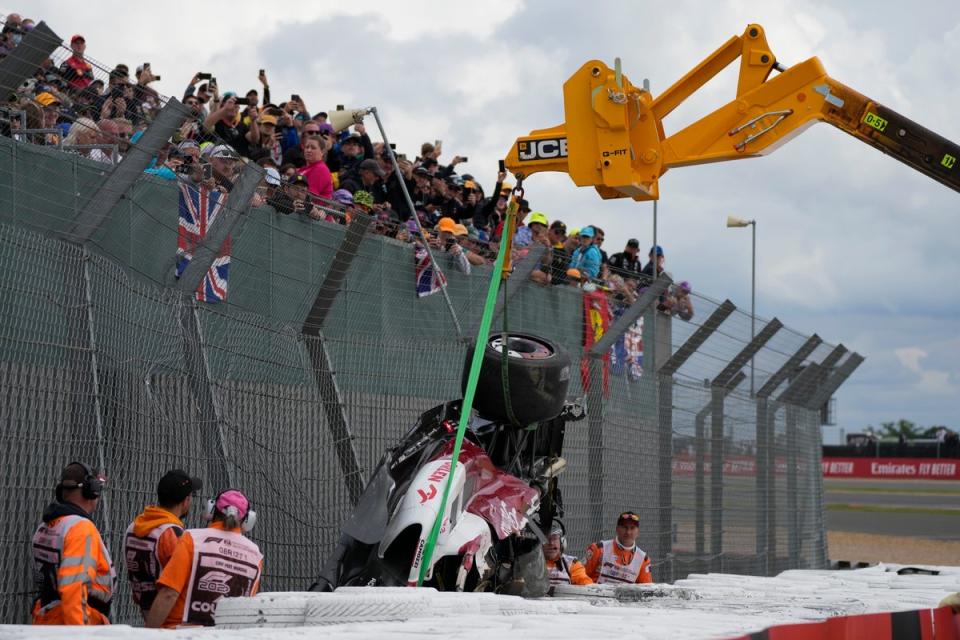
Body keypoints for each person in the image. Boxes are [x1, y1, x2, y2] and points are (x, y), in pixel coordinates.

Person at [146, 489, 263, 628]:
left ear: (211, 510)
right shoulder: (255, 555)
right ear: (247, 521)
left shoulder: (192, 539)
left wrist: (148, 632)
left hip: (178, 633)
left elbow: (169, 594)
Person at [31, 462, 115, 625]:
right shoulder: (80, 529)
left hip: (47, 618)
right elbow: (73, 589)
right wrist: (78, 633)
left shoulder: (47, 525)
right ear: (91, 490)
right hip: (73, 620)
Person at [124, 470, 203, 621]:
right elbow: (173, 590)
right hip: (169, 619)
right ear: (186, 501)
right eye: (191, 496)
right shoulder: (173, 534)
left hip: (147, 611)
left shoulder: (133, 527)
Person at [583, 511, 653, 584]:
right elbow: (580, 577)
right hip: (594, 594)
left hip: (625, 595)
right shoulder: (598, 549)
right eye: (624, 527)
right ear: (617, 529)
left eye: (632, 528)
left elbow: (646, 589)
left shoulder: (643, 560)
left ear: (638, 532)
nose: (628, 532)